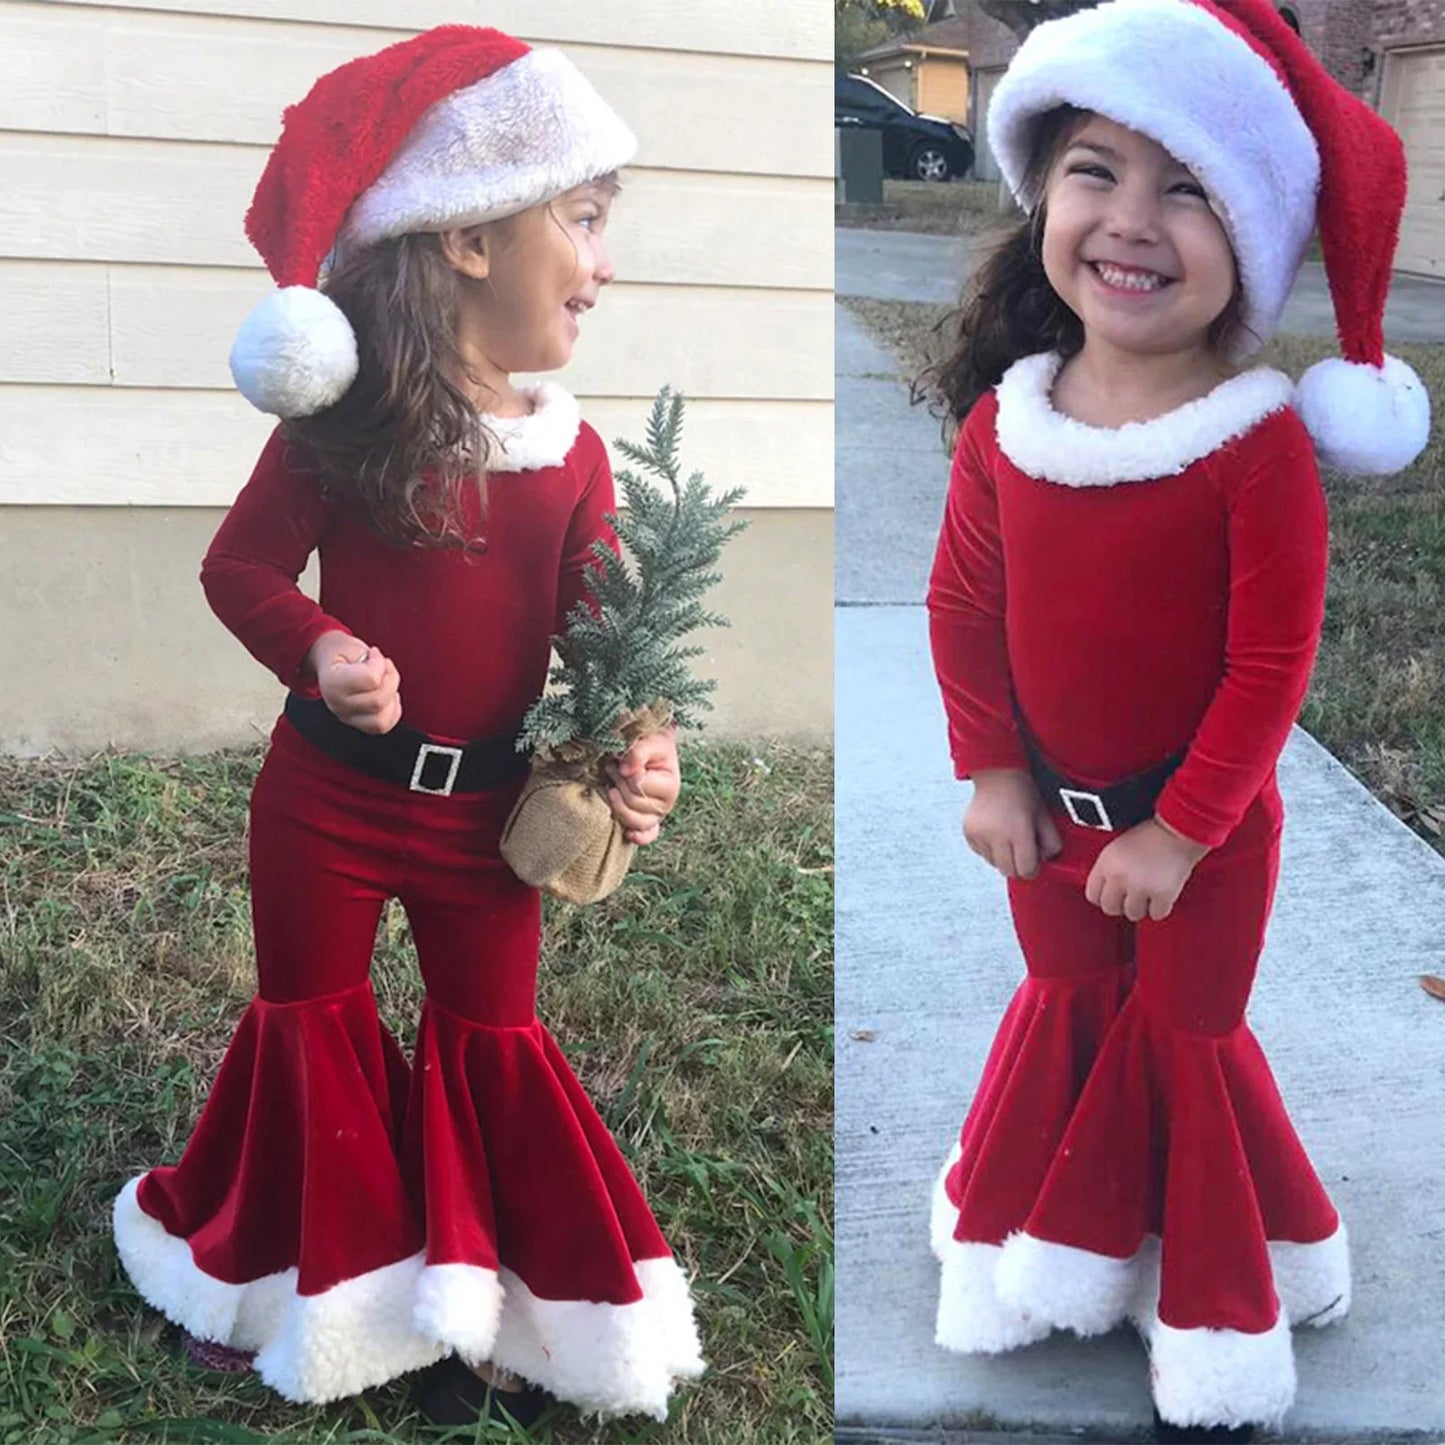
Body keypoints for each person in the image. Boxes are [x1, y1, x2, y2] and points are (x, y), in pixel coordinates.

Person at [110, 26, 703, 1427]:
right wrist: (315, 646)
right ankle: (278, 1279)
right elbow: (236, 569)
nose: (603, 259)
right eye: (584, 217)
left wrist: (641, 744)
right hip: (324, 797)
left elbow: (605, 639)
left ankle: (494, 1296)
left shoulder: (573, 461)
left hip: (487, 823)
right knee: (308, 1021)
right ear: (471, 242)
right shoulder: (341, 424)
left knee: (489, 1029)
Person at [922, 1, 1428, 1439]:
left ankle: (1208, 1309)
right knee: (1074, 1014)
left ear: (1251, 241)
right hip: (1049, 826)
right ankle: (1064, 1246)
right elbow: (960, 609)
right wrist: (992, 770)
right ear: (1040, 199)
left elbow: (1269, 664)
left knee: (1185, 1035)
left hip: (1198, 837)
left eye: (1188, 185)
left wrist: (1184, 827)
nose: (1130, 219)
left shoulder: (1251, 446)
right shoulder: (1005, 427)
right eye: (1095, 167)